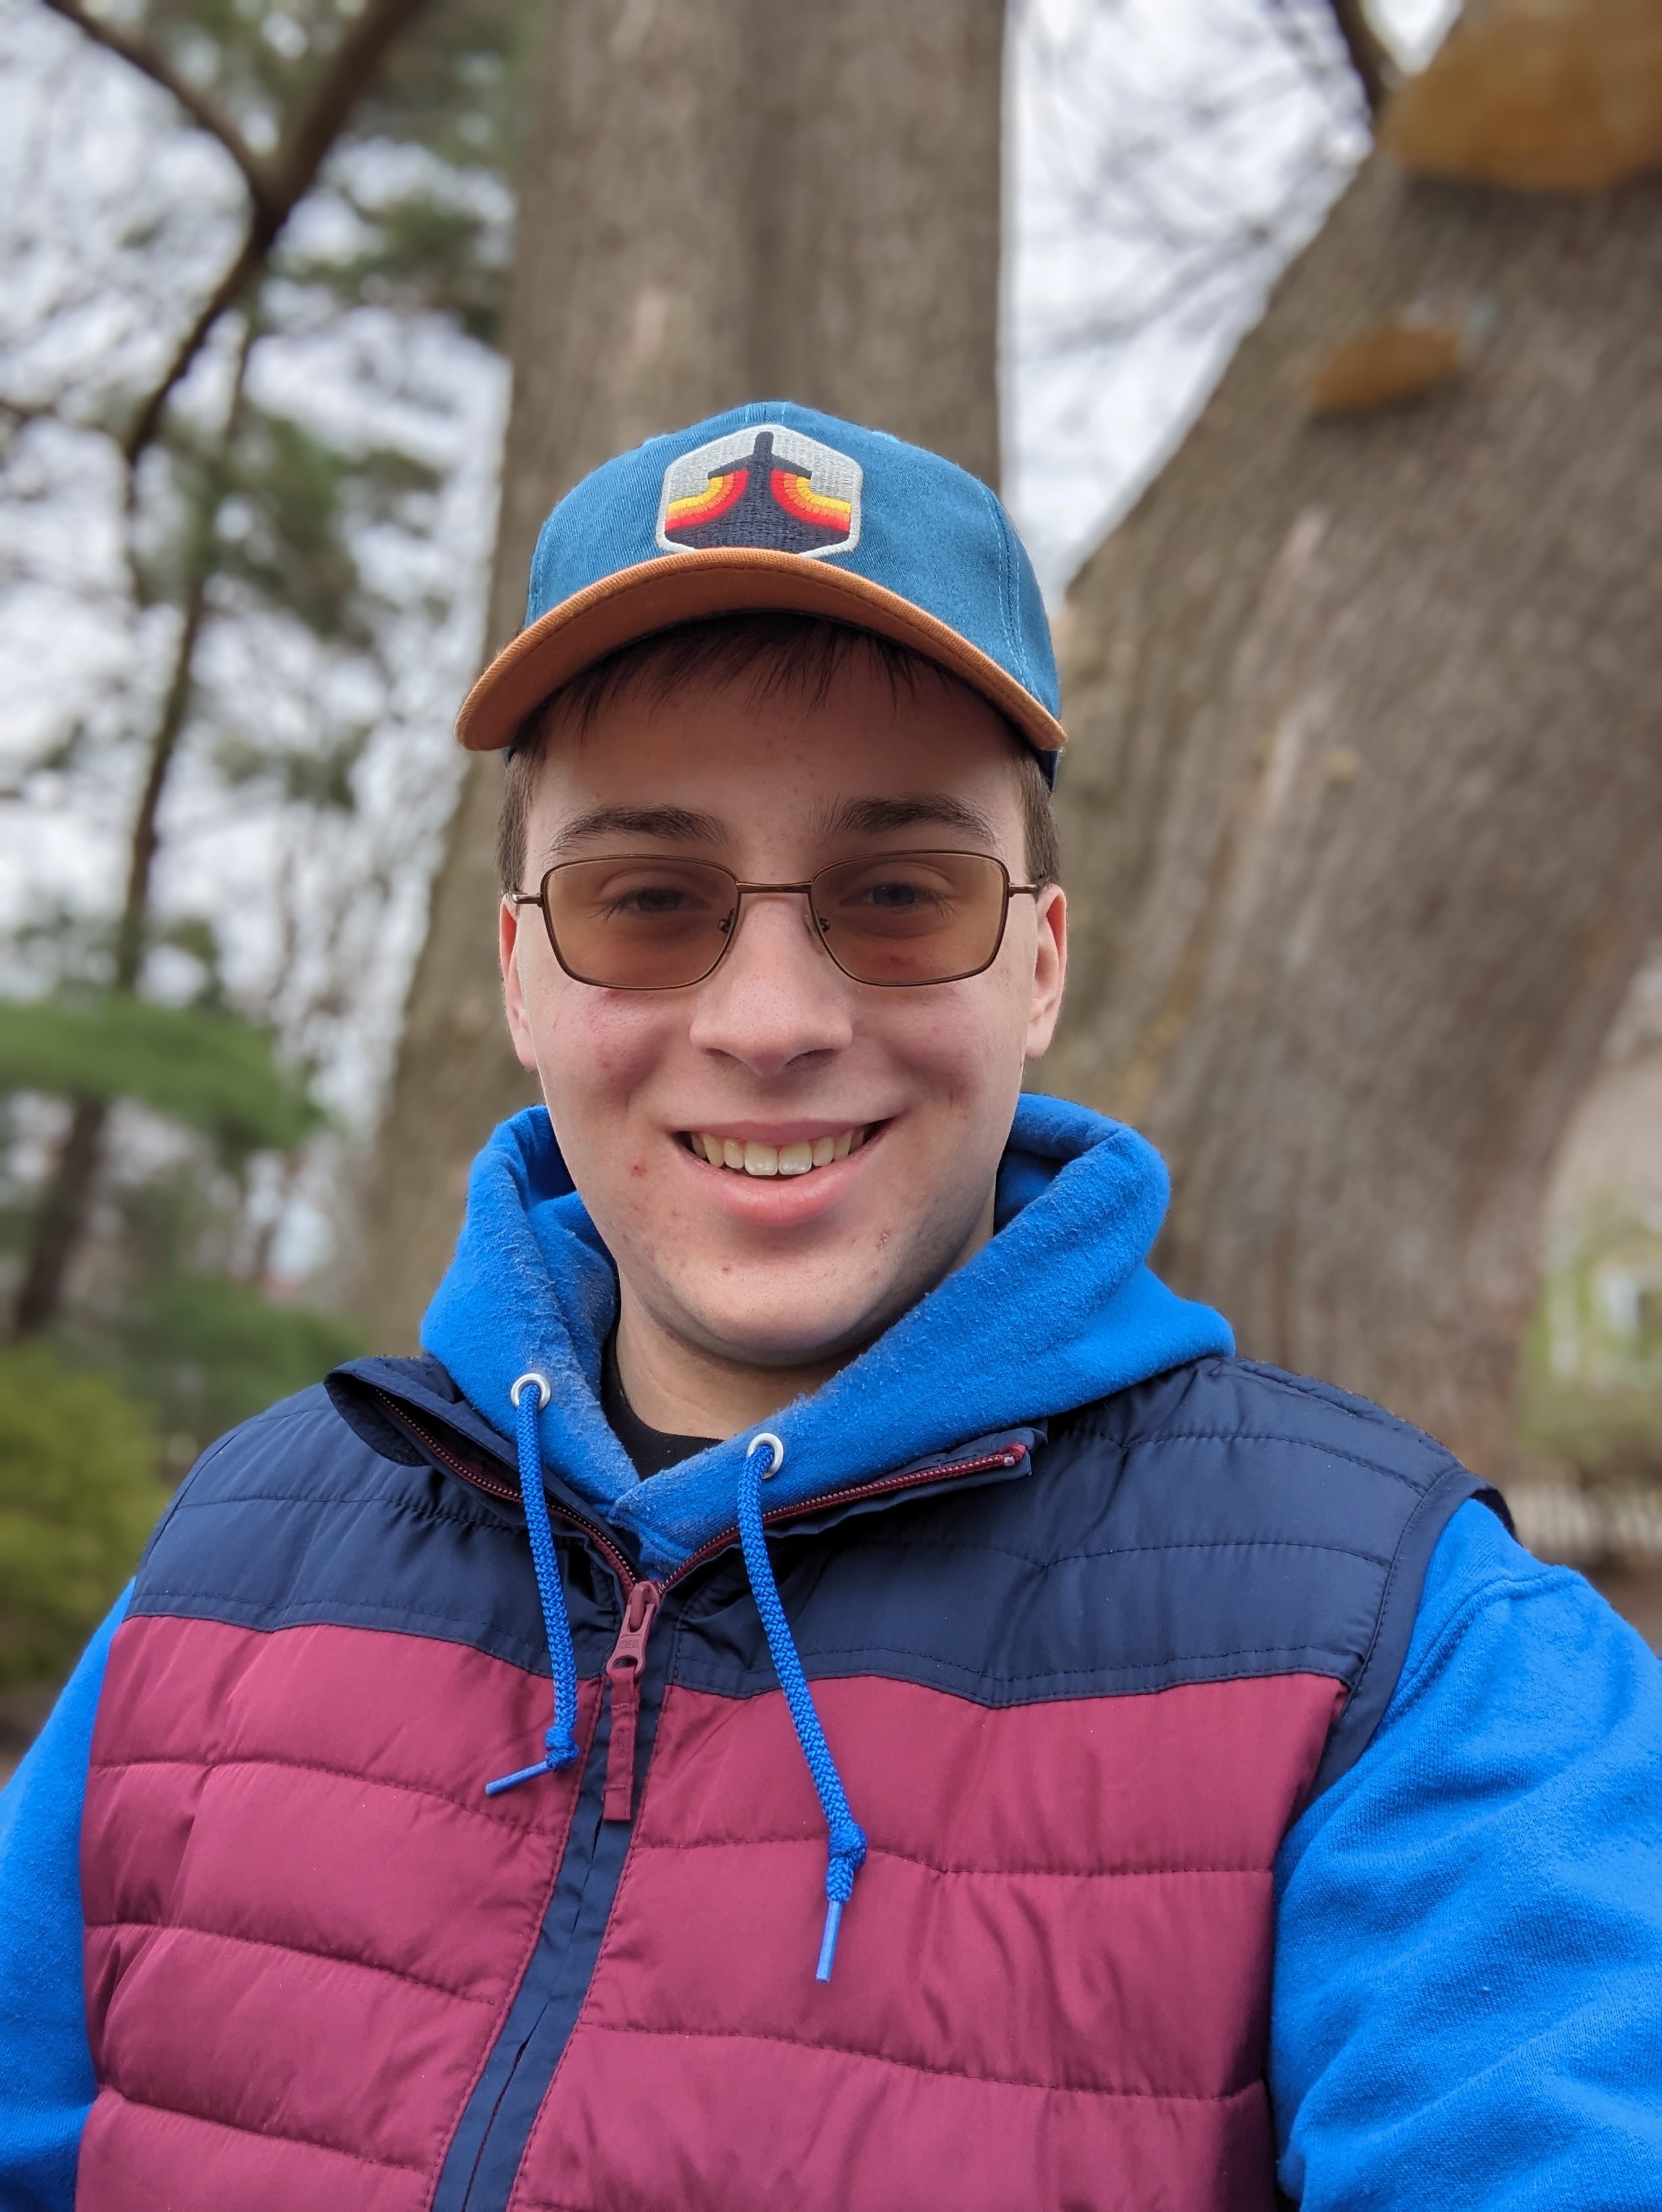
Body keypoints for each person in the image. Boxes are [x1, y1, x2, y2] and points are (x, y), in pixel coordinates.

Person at [1, 402, 1658, 2212]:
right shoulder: (228, 1569)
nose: (772, 1019)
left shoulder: (1411, 1655)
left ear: (1038, 963)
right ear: (521, 975)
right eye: (648, 900)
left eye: (895, 894)